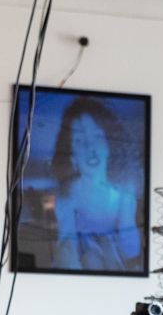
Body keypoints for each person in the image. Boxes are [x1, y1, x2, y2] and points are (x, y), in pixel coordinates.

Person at [43, 97, 143, 272]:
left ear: (109, 146)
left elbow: (131, 249)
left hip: (114, 260)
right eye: (80, 142)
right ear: (72, 156)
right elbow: (66, 242)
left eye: (97, 137)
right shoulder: (68, 194)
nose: (90, 147)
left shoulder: (123, 194)